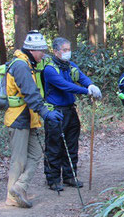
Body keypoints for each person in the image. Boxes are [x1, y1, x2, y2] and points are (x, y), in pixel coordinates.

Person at [4, 31, 64, 208]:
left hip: (28, 118)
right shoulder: (21, 66)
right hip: (18, 118)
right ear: (32, 50)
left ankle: (19, 187)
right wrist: (45, 113)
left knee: (36, 153)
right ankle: (12, 197)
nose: (43, 54)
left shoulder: (28, 64)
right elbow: (30, 93)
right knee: (19, 159)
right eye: (41, 51)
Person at [42, 37, 102, 192]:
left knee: (72, 144)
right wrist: (86, 91)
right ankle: (53, 179)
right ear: (56, 51)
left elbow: (81, 77)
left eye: (69, 49)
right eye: (65, 50)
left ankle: (70, 176)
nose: (68, 52)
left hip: (70, 110)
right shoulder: (49, 69)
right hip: (55, 111)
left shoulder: (70, 66)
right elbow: (64, 86)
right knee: (54, 146)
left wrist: (90, 85)